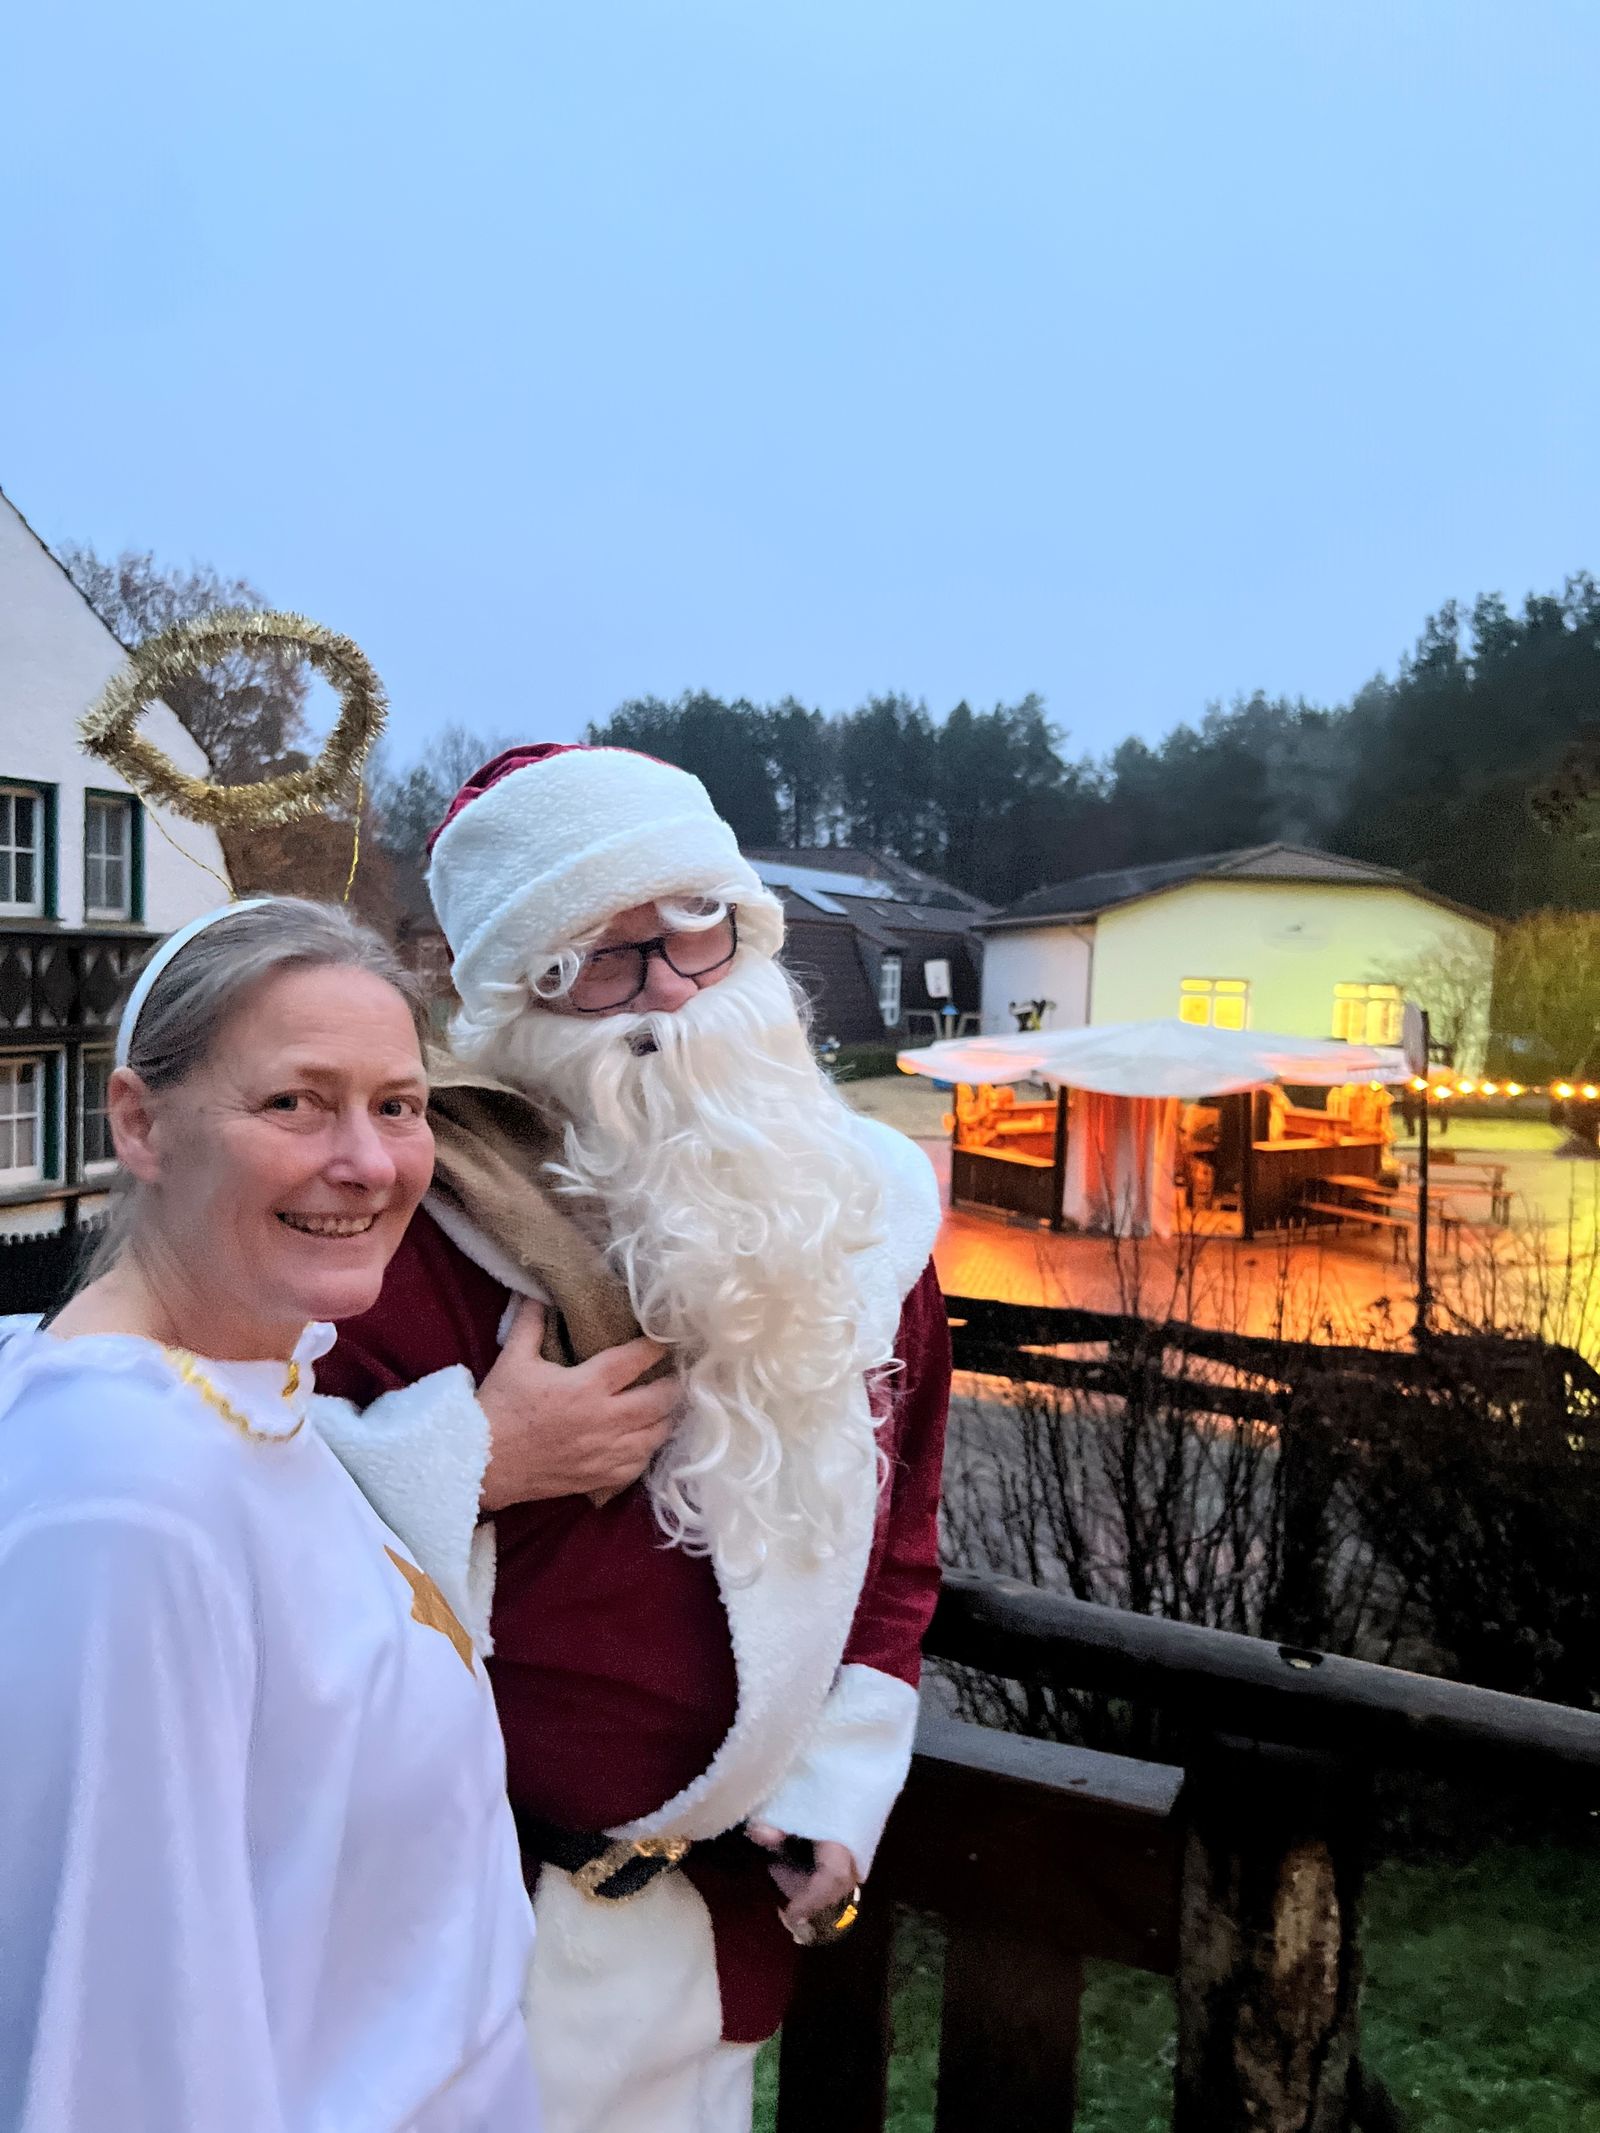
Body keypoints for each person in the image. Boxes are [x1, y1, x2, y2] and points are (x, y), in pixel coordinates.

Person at [315, 744, 951, 2133]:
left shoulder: (869, 1218)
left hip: (705, 1943)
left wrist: (842, 1777)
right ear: (508, 1003)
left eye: (693, 929)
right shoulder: (401, 1232)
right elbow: (227, 1538)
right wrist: (469, 1462)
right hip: (441, 1945)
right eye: (598, 961)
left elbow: (897, 1537)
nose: (668, 989)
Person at [0, 898, 540, 2133]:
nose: (367, 1161)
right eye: (294, 1102)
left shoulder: (242, 1402)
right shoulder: (126, 1504)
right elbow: (111, 2045)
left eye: (397, 1105)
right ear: (139, 1122)